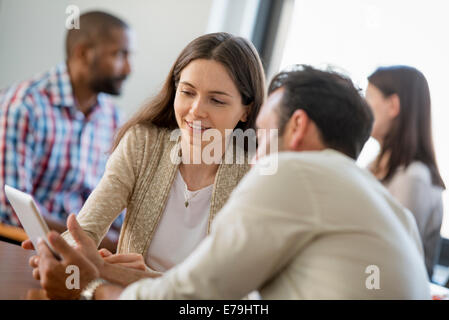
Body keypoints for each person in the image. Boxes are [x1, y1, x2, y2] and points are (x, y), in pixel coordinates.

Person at [34, 65, 430, 300]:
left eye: (262, 132)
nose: (256, 156)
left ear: (297, 126)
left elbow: (198, 293)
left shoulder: (292, 172)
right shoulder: (390, 210)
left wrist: (90, 288)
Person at [25, 32, 266, 285]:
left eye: (216, 100)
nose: (196, 110)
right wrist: (64, 252)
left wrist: (133, 276)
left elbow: (231, 287)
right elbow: (86, 228)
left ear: (245, 110)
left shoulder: (255, 175)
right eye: (187, 92)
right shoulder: (143, 143)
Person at [0, 11, 132, 251]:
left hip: (85, 248)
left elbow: (114, 203)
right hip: (26, 246)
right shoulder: (24, 106)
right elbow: (11, 208)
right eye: (118, 54)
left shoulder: (113, 117)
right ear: (83, 53)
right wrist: (91, 238)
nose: (128, 68)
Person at [365, 65, 445, 278]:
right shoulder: (374, 165)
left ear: (393, 106)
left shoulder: (413, 177)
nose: (363, 108)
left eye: (369, 98)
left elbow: (395, 254)